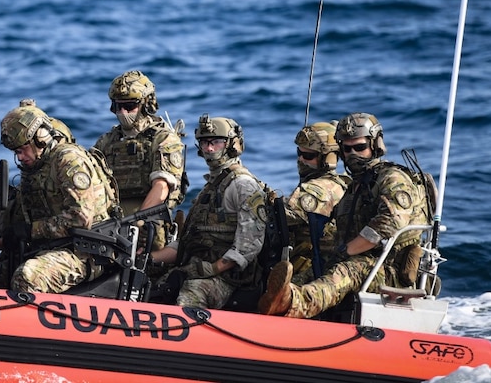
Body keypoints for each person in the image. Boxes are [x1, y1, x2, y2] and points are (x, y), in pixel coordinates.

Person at [259, 112, 431, 318]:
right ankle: (277, 302)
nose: (352, 154)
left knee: (348, 271)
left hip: (389, 268)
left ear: (375, 145)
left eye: (359, 147)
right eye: (346, 148)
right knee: (312, 270)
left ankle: (294, 304)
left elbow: (387, 225)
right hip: (365, 260)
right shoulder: (357, 185)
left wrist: (346, 251)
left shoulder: (392, 178)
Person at [151, 114, 267, 310]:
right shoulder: (212, 187)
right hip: (198, 267)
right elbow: (189, 240)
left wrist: (213, 268)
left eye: (216, 142)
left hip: (228, 277)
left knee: (190, 295)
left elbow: (248, 245)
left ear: (232, 144)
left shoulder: (242, 185)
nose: (209, 149)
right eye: (204, 143)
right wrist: (151, 259)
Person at [0, 103, 116, 294]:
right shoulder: (36, 167)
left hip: (88, 251)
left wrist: (31, 231)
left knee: (28, 277)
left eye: (22, 149)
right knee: (0, 269)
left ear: (40, 138)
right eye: (16, 152)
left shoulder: (68, 159)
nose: (20, 157)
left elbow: (80, 218)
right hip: (54, 247)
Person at [94, 70, 186, 250]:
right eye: (118, 106)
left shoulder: (163, 139)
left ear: (145, 105)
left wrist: (136, 224)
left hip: (149, 224)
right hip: (111, 223)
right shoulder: (107, 141)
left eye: (129, 106)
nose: (122, 112)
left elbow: (161, 187)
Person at [285, 121, 350, 283]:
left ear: (328, 158)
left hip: (312, 268)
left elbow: (281, 217)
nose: (301, 159)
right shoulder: (345, 182)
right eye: (299, 152)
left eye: (308, 156)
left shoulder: (316, 189)